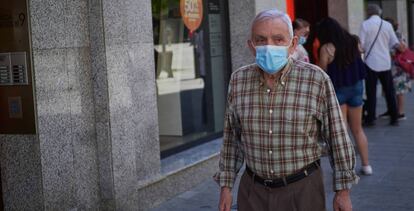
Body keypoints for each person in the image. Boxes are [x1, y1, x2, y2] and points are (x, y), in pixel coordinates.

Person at [214, 9, 359, 211]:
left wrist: (343, 192)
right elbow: (232, 138)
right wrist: (226, 186)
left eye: (278, 39)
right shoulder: (238, 80)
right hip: (252, 191)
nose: (269, 46)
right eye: (261, 39)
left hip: (303, 190)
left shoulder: (315, 79)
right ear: (251, 45)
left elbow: (337, 137)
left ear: (293, 44)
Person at [317, 17, 372, 175]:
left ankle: (346, 168)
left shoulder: (326, 48)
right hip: (356, 88)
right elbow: (360, 53)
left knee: (342, 131)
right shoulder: (353, 40)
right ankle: (366, 165)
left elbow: (321, 71)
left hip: (338, 90)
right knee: (358, 129)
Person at [359, 4, 405, 126]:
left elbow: (361, 46)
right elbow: (395, 43)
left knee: (371, 91)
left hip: (370, 62)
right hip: (385, 62)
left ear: (368, 13)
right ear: (379, 12)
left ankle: (371, 118)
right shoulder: (387, 25)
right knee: (389, 90)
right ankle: (394, 117)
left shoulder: (365, 25)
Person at [379, 17, 411, 120]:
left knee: (399, 90)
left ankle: (401, 113)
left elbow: (403, 48)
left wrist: (391, 49)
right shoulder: (387, 34)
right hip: (388, 66)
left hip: (398, 68)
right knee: (389, 90)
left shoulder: (397, 35)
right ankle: (391, 110)